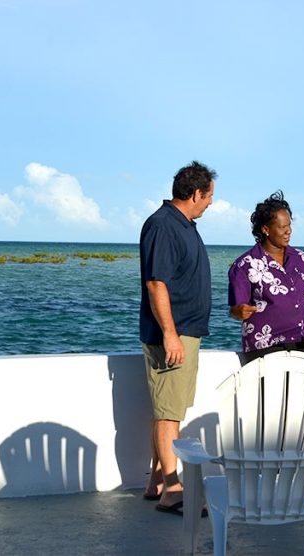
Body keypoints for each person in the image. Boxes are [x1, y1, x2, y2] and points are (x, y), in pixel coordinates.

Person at [138, 160, 216, 515]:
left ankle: (157, 479)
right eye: (209, 195)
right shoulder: (163, 225)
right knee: (169, 415)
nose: (211, 202)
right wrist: (170, 335)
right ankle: (173, 488)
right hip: (173, 334)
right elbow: (157, 282)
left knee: (169, 412)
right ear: (195, 192)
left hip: (185, 332)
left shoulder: (182, 224)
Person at [228, 191, 304, 363]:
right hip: (265, 346)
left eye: (289, 226)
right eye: (282, 227)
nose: (288, 231)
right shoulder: (244, 265)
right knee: (268, 391)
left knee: (301, 391)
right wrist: (238, 311)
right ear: (266, 230)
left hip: (303, 343)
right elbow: (236, 309)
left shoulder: (303, 260)